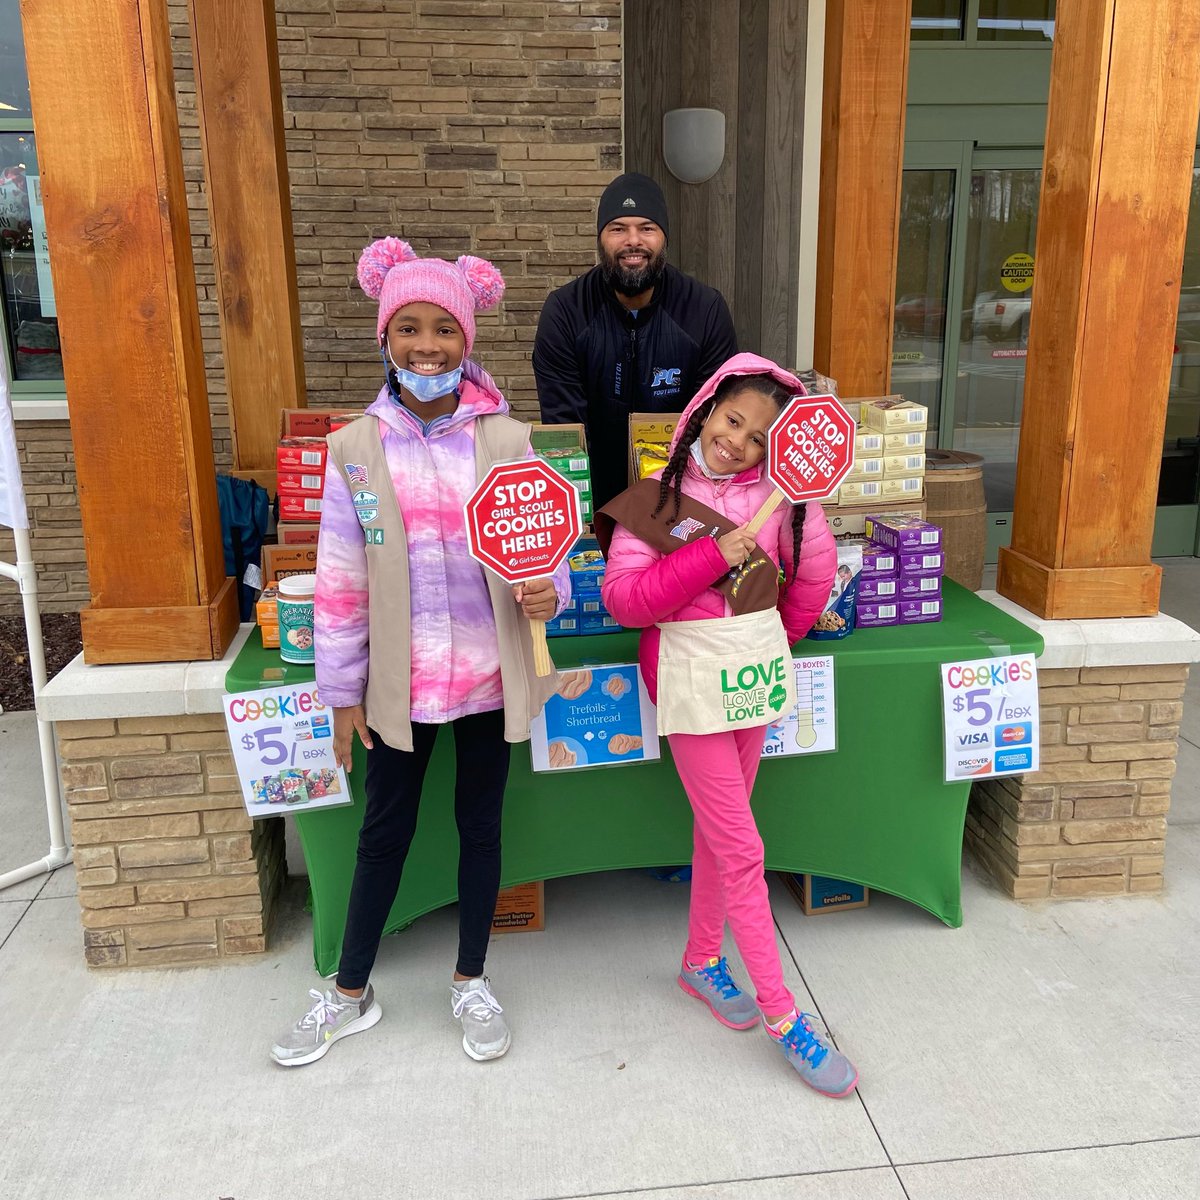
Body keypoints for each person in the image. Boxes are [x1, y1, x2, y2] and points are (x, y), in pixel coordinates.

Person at [270, 238, 570, 1068]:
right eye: (409, 327)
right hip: (396, 688)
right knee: (382, 831)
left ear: (468, 340)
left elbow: (542, 554)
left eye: (445, 328)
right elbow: (339, 580)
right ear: (385, 336)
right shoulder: (355, 450)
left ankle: (471, 978)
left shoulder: (506, 440)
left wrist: (552, 593)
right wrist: (342, 691)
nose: (427, 345)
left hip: (485, 677)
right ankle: (348, 993)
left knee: (481, 828)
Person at [594, 352, 859, 1098]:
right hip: (687, 685)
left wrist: (772, 637)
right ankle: (784, 1017)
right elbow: (624, 601)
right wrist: (711, 556)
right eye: (731, 419)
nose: (736, 441)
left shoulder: (791, 502)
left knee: (723, 829)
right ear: (705, 408)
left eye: (756, 435)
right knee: (743, 846)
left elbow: (809, 583)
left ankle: (701, 960)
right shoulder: (657, 498)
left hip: (749, 678)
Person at [533, 171, 738, 511]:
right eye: (618, 228)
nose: (633, 241)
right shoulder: (566, 311)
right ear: (601, 238)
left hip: (680, 494)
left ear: (664, 237)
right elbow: (564, 426)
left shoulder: (704, 309)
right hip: (594, 496)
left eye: (646, 228)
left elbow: (713, 417)